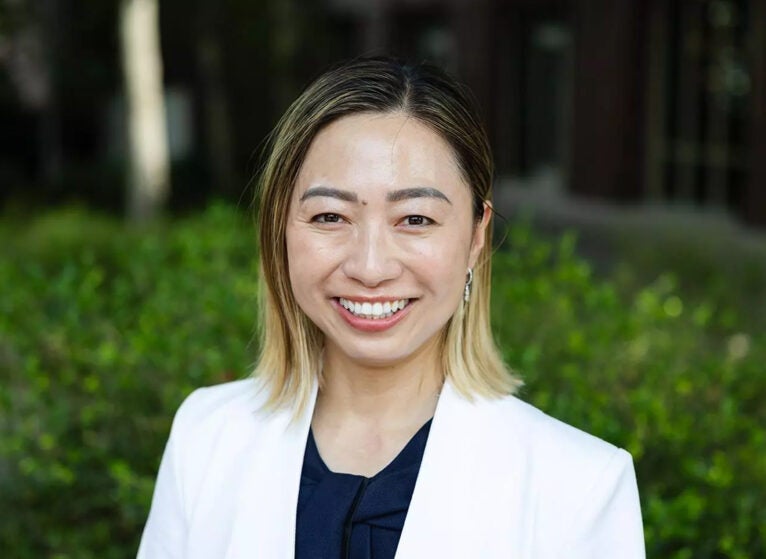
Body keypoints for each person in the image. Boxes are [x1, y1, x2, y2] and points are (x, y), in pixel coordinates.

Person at [137, 56, 645, 559]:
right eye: (331, 215)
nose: (371, 266)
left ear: (475, 237)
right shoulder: (205, 437)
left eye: (416, 219)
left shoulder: (580, 488)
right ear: (280, 229)